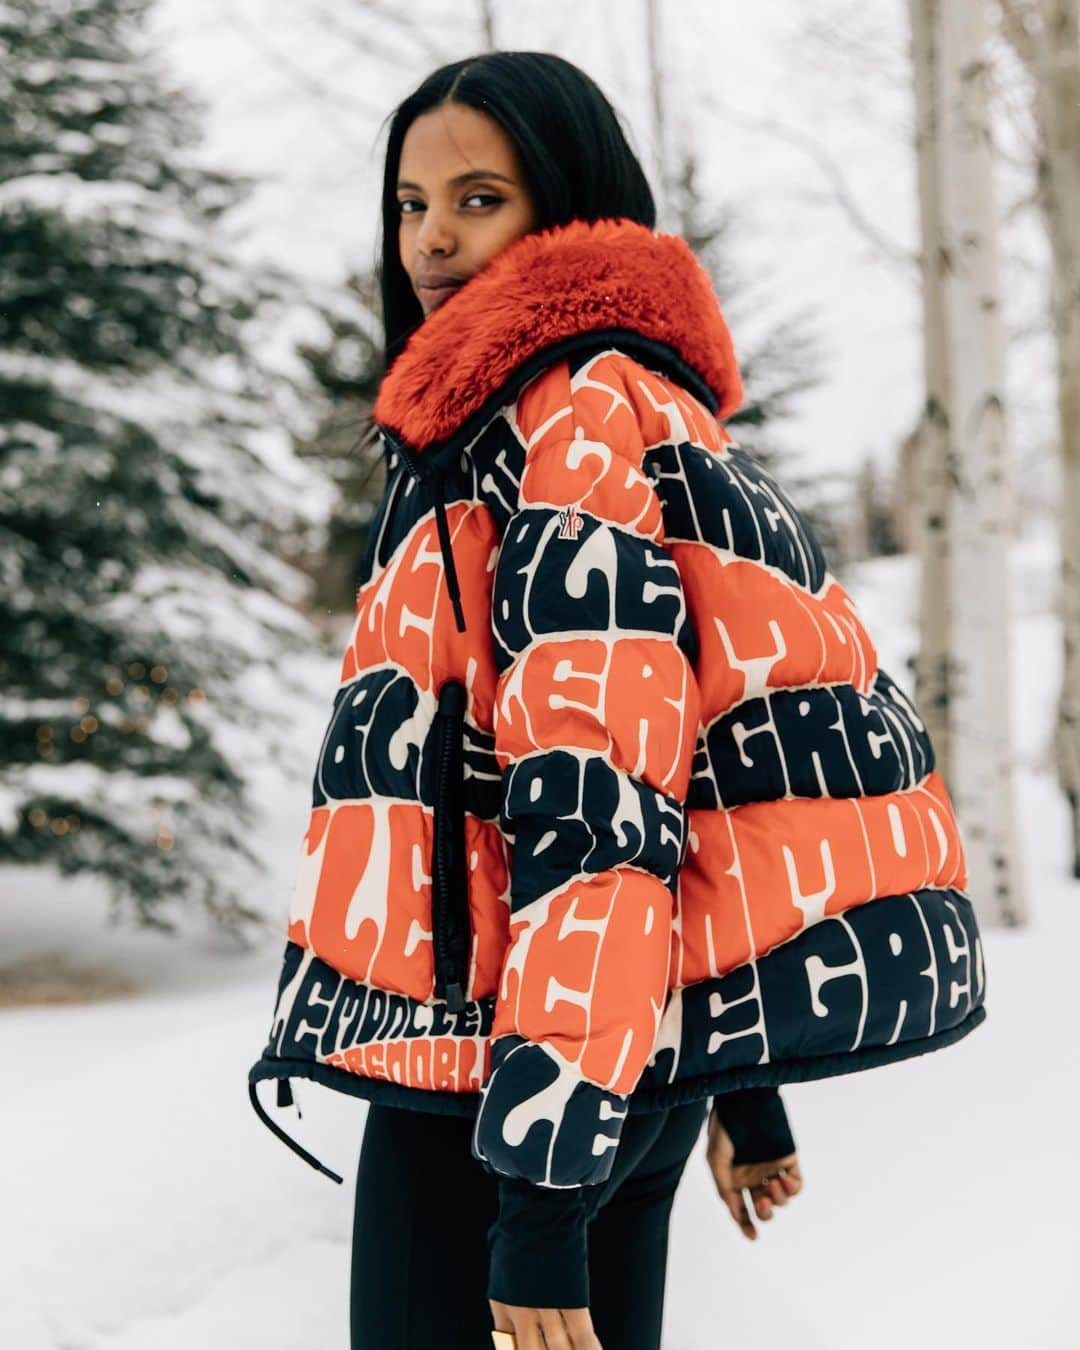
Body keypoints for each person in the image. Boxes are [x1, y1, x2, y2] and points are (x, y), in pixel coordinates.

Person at [246, 51, 987, 1350]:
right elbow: (703, 765)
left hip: (504, 1091)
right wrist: (736, 1083)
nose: (429, 240)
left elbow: (597, 802)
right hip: (589, 1070)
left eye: (480, 198)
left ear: (572, 201)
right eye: (411, 204)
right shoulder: (608, 409)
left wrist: (539, 1198)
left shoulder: (567, 413)